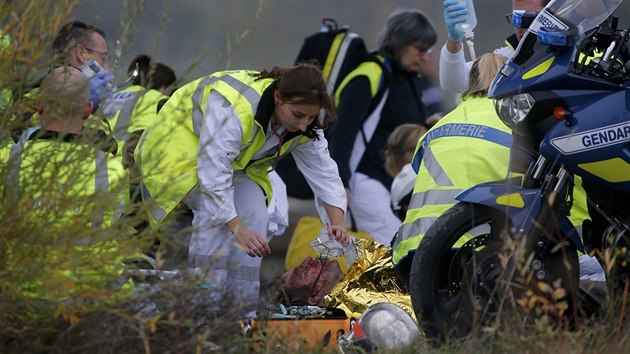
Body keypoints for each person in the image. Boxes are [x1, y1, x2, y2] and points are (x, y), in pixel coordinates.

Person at [136, 63, 350, 319]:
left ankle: (242, 316)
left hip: (230, 163)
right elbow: (213, 176)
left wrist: (337, 224)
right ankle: (204, 313)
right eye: (298, 115)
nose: (304, 125)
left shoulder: (301, 123)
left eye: (311, 117)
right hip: (174, 154)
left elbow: (325, 173)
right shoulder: (234, 107)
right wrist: (237, 228)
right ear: (278, 98)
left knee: (257, 215)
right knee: (213, 218)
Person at [0, 67, 129, 302]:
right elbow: (115, 225)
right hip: (85, 302)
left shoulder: (7, 161)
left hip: (18, 299)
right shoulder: (111, 170)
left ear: (39, 105)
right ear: (88, 110)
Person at [393, 53, 513, 286]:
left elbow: (415, 173)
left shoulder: (440, 125)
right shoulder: (516, 121)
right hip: (481, 248)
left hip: (416, 253)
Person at [328, 8, 437, 246]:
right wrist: (341, 184)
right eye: (421, 49)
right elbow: (343, 131)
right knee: (396, 243)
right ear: (401, 42)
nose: (426, 57)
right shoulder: (370, 74)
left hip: (395, 183)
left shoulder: (410, 79)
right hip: (362, 181)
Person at [440, 0, 549, 93]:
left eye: (528, 18)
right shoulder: (507, 59)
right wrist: (454, 39)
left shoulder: (565, 56)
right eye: (515, 18)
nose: (520, 27)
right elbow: (453, 83)